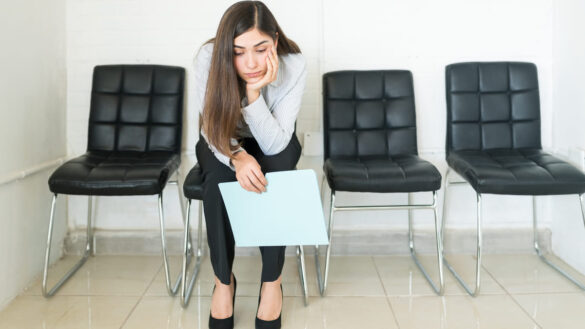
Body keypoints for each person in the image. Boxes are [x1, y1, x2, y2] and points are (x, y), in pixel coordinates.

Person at [192, 1, 306, 328]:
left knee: (278, 175)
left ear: (275, 40)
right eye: (239, 52)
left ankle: (272, 282)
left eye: (261, 49)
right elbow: (211, 124)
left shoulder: (294, 63)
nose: (251, 63)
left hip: (274, 136)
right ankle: (222, 283)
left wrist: (254, 94)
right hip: (220, 138)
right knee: (216, 184)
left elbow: (274, 143)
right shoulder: (207, 57)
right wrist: (237, 156)